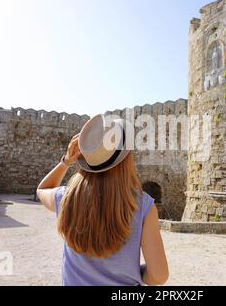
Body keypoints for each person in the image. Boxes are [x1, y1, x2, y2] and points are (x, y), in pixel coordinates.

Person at [36, 114, 169, 286]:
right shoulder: (144, 206)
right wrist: (137, 273)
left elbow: (42, 189)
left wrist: (66, 162)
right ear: (126, 158)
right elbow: (159, 276)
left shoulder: (67, 197)